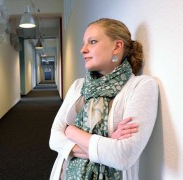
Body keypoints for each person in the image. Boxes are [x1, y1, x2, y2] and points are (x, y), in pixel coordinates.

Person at [49, 18, 158, 180]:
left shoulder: (141, 86)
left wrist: (70, 131)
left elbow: (122, 156)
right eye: (83, 43)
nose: (83, 50)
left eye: (92, 42)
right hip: (66, 173)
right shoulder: (79, 86)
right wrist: (107, 142)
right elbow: (54, 139)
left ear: (117, 46)